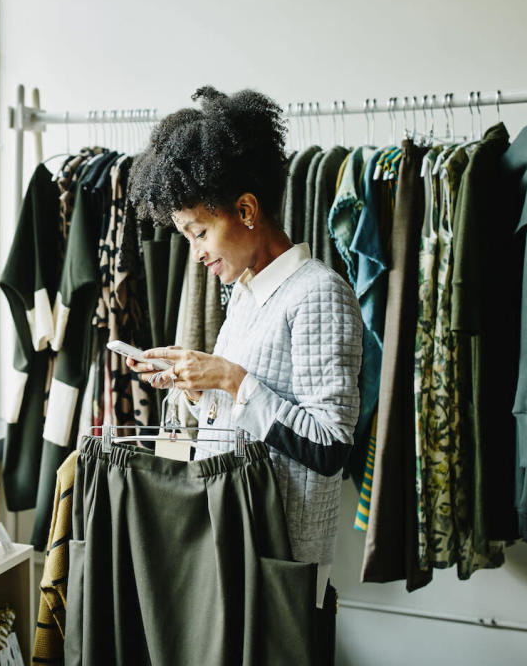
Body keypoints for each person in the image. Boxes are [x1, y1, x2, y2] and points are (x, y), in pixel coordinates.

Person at [125, 86, 364, 608]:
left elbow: (330, 447)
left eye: (201, 232)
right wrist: (192, 388)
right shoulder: (246, 295)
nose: (195, 254)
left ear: (247, 210)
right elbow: (240, 418)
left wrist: (229, 378)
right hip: (232, 543)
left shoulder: (319, 293)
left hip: (281, 561)